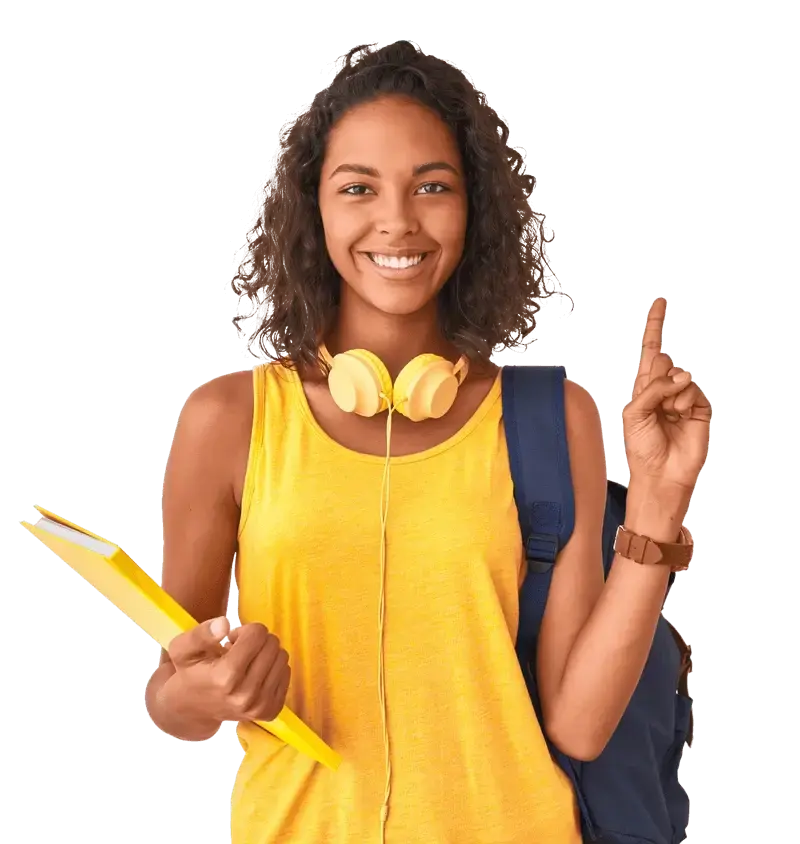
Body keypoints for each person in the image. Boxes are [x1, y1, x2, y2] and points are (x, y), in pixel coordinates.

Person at [144, 40, 711, 844]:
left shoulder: (551, 420)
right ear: (315, 208)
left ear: (474, 207)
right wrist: (202, 697)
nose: (397, 221)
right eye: (358, 188)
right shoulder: (229, 420)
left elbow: (579, 728)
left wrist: (659, 501)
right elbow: (174, 691)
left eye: (433, 187)